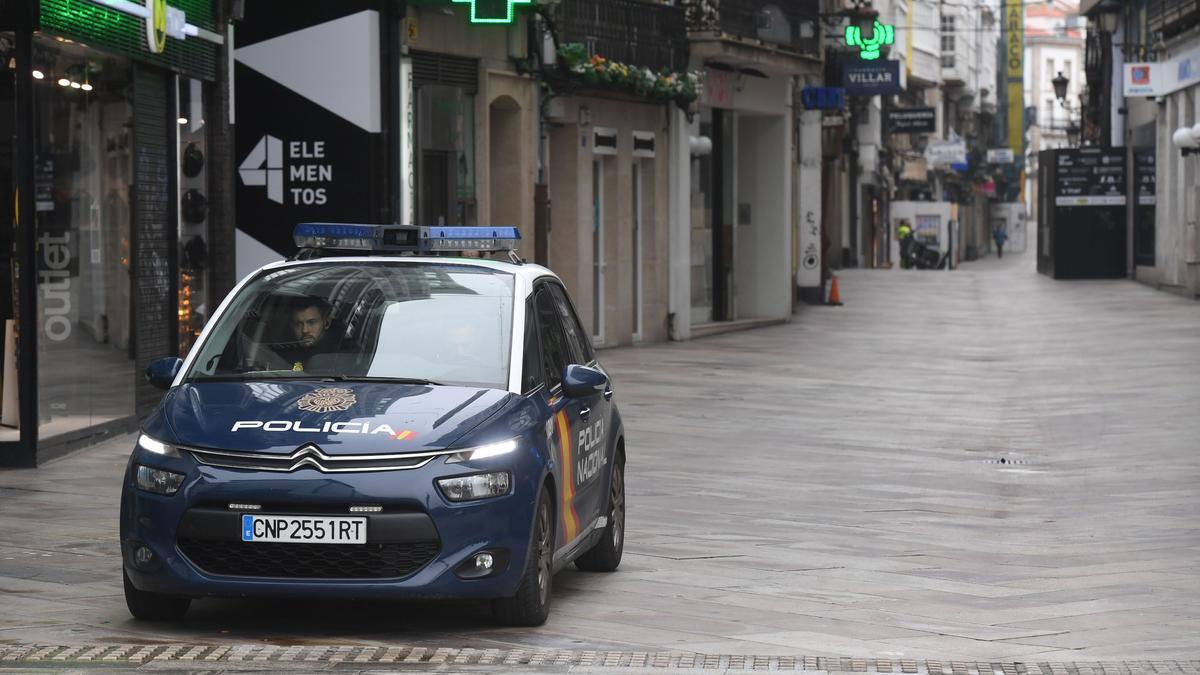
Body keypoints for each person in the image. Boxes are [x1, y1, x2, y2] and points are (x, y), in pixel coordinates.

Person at [275, 297, 336, 371]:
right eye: (298, 324)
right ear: (291, 326)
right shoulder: (283, 355)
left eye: (311, 322)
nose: (305, 330)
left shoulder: (340, 355)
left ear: (326, 323)